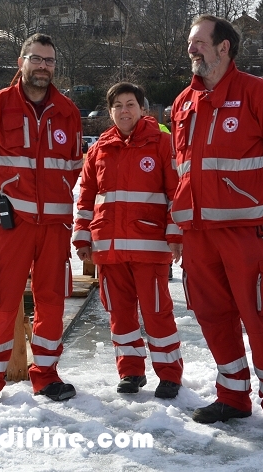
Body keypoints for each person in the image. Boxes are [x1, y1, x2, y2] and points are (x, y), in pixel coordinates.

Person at [171, 14, 263, 434]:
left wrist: (260, 206)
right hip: (198, 236)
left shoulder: (257, 94)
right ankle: (233, 396)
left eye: (198, 42)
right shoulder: (182, 103)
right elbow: (182, 172)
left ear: (223, 46)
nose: (191, 49)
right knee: (213, 316)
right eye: (190, 42)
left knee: (259, 316)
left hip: (247, 233)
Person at [0, 33, 83, 404]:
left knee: (52, 302)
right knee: (1, 302)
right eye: (36, 59)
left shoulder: (68, 112)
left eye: (49, 61)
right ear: (21, 62)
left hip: (54, 226)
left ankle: (46, 376)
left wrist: (57, 201)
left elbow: (74, 167)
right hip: (12, 226)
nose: (43, 67)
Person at [74, 82, 184, 399]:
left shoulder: (163, 144)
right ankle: (131, 372)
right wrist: (82, 236)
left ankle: (169, 375)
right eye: (118, 105)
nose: (125, 111)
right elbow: (86, 198)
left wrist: (175, 233)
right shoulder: (98, 150)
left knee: (156, 312)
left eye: (131, 104)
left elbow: (175, 194)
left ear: (142, 109)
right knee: (120, 314)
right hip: (108, 249)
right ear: (110, 112)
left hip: (149, 248)